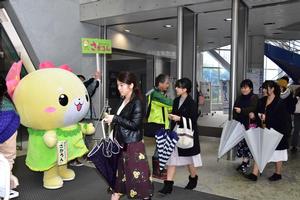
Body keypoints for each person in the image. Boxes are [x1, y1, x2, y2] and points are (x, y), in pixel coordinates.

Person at [104, 71, 152, 200]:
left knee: (137, 177)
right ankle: (116, 194)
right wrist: (113, 119)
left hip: (133, 145)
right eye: (118, 85)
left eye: (121, 85)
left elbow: (135, 124)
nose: (119, 88)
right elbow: (121, 119)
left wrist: (115, 118)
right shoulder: (124, 99)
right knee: (121, 174)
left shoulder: (138, 101)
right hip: (121, 142)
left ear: (131, 85)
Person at [159, 78, 202, 194]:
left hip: (187, 135)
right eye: (176, 86)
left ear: (185, 89)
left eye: (179, 87)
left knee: (189, 160)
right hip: (175, 133)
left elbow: (193, 121)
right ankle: (168, 185)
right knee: (171, 158)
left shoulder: (191, 103)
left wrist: (180, 119)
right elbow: (175, 115)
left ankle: (193, 178)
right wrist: (172, 117)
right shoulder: (176, 100)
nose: (176, 88)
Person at [245, 80, 290, 181]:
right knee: (260, 151)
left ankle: (278, 173)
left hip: (276, 132)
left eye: (266, 88)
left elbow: (282, 120)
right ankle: (254, 174)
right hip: (264, 130)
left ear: (273, 89)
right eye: (263, 88)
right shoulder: (262, 101)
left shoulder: (280, 103)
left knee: (277, 153)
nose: (264, 90)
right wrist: (254, 116)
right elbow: (258, 114)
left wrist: (267, 118)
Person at [144, 74, 173, 178]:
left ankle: (159, 169)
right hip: (157, 124)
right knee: (159, 148)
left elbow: (167, 108)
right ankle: (157, 172)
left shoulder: (159, 93)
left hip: (162, 124)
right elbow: (169, 103)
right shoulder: (156, 94)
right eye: (166, 83)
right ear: (160, 83)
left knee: (160, 147)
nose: (168, 85)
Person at [70, 71, 100, 167]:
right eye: (79, 81)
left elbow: (91, 88)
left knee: (89, 138)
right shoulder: (71, 92)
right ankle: (73, 159)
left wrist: (96, 78)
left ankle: (86, 155)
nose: (81, 83)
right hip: (76, 119)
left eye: (83, 81)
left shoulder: (85, 91)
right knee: (76, 138)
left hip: (88, 118)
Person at [233, 79, 259, 174]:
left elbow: (253, 108)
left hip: (250, 125)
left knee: (248, 145)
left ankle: (245, 162)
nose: (243, 89)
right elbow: (235, 109)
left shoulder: (254, 97)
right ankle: (245, 161)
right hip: (241, 125)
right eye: (242, 87)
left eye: (246, 87)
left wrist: (242, 111)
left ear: (251, 88)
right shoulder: (239, 98)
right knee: (242, 144)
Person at [0, 76, 20, 189]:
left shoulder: (8, 112)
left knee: (6, 159)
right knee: (7, 160)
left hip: (8, 132)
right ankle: (6, 182)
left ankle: (6, 182)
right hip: (9, 131)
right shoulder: (9, 110)